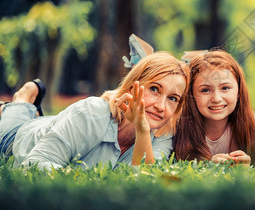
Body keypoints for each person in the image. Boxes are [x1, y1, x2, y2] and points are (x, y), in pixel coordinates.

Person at [0, 52, 189, 170]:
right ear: (132, 86)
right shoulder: (92, 112)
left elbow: (143, 181)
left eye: (172, 98)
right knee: (9, 124)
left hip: (57, 125)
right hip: (16, 138)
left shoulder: (163, 134)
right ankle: (22, 100)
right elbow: (36, 163)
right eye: (154, 89)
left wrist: (142, 131)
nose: (161, 106)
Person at [173, 50, 255, 165]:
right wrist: (209, 165)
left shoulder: (244, 131)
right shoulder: (178, 130)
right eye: (205, 90)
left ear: (239, 92)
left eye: (225, 88)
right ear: (192, 95)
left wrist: (246, 164)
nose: (216, 99)